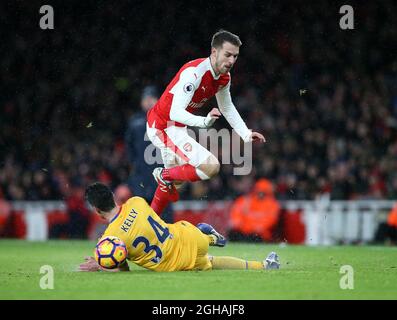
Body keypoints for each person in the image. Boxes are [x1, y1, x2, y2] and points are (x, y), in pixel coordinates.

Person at [146, 30, 266, 215]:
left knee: (175, 183)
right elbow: (175, 112)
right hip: (162, 127)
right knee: (210, 166)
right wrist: (204, 121)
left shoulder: (224, 78)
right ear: (214, 52)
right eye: (227, 55)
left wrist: (245, 133)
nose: (232, 61)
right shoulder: (194, 74)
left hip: (176, 128)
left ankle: (149, 220)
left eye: (235, 56)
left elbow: (227, 107)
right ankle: (163, 175)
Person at [79, 182, 280, 272]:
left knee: (211, 262)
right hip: (188, 236)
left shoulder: (110, 238)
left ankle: (265, 266)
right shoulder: (137, 201)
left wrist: (104, 264)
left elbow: (123, 268)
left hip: (173, 264)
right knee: (207, 254)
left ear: (96, 210)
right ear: (114, 197)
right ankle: (210, 238)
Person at [125, 85, 174, 222]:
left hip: (161, 171)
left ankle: (169, 240)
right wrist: (133, 167)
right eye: (146, 99)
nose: (148, 101)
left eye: (151, 98)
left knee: (165, 213)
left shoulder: (166, 118)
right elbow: (129, 148)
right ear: (141, 102)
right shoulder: (135, 121)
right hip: (141, 173)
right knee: (142, 211)